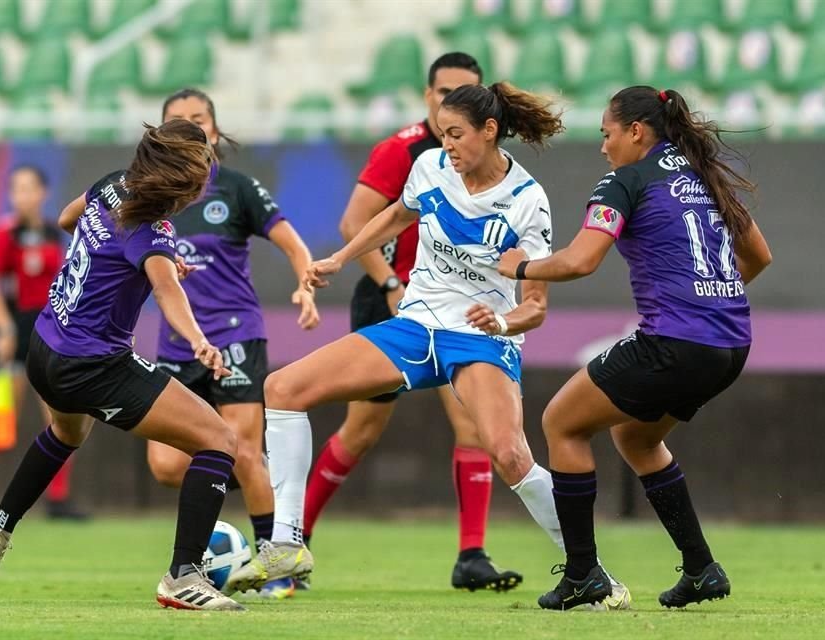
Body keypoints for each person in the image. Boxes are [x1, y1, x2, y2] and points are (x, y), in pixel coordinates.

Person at [225, 82, 629, 607]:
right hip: (417, 325)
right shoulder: (431, 167)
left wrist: (502, 324)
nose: (448, 146)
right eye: (442, 134)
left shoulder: (528, 200)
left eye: (457, 134)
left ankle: (590, 572)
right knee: (281, 387)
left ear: (490, 131)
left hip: (479, 339)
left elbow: (536, 306)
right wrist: (340, 259)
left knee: (509, 454)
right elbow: (397, 215)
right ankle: (285, 544)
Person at [494, 86, 772, 610]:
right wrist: (712, 297)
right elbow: (758, 255)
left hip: (676, 341)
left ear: (636, 132)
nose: (604, 146)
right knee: (636, 440)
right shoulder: (703, 176)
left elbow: (580, 261)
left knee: (561, 422)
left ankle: (581, 576)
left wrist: (521, 266)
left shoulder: (626, 180)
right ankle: (702, 570)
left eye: (607, 133)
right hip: (732, 343)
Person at [0, 120, 245, 612]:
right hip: (92, 364)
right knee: (219, 440)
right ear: (185, 176)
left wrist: (127, 261)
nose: (210, 174)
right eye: (205, 165)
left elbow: (68, 219)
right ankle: (183, 576)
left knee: (66, 435)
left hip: (45, 347)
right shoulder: (153, 229)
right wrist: (200, 339)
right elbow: (167, 292)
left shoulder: (113, 184)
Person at [303, 52, 523, 593]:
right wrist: (390, 287)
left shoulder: (486, 156)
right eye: (446, 91)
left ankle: (471, 554)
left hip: (456, 308)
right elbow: (357, 222)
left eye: (466, 91)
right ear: (428, 96)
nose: (454, 100)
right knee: (361, 430)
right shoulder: (403, 150)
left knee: (471, 424)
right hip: (393, 300)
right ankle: (293, 539)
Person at [146, 88, 320, 599]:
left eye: (199, 121)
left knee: (243, 448)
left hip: (235, 334)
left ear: (215, 132)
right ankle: (248, 526)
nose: (191, 130)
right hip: (177, 343)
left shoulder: (237, 188)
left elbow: (291, 242)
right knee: (166, 465)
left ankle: (276, 562)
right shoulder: (152, 200)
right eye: (178, 123)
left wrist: (305, 285)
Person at [0, 165, 88, 522]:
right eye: (16, 189)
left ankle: (58, 499)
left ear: (43, 193)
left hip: (51, 329)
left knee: (62, 418)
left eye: (29, 188)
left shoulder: (56, 235)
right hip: (16, 331)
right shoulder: (4, 233)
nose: (22, 195)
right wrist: (4, 328)